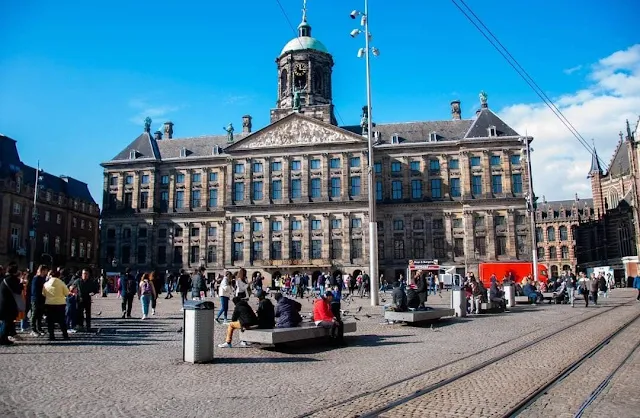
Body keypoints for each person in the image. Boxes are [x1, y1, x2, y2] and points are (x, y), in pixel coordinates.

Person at [0, 263, 24, 345]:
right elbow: (18, 290)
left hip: (4, 303)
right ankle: (2, 338)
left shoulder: (5, 279)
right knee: (7, 322)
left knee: (7, 322)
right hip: (8, 305)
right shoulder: (12, 280)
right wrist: (21, 283)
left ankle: (4, 337)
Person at [42, 270, 70, 341]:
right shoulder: (61, 283)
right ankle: (65, 335)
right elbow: (67, 293)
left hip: (49, 304)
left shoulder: (46, 284)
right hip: (60, 304)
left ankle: (51, 335)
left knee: (50, 321)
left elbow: (43, 293)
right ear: (59, 276)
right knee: (61, 320)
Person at [30, 265, 49, 337]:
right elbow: (35, 291)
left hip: (42, 299)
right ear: (43, 270)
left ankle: (39, 328)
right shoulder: (36, 278)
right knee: (34, 314)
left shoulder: (42, 278)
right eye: (46, 270)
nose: (46, 272)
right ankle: (33, 329)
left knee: (39, 315)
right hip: (36, 299)